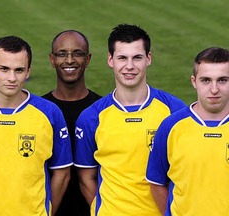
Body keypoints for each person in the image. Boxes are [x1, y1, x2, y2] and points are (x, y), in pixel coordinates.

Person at [74, 24, 187, 215]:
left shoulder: (174, 111)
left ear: (148, 59)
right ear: (110, 60)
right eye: (122, 58)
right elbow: (86, 178)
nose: (129, 66)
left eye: (137, 58)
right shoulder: (91, 117)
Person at [0, 36, 72, 215]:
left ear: (28, 71)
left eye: (19, 70)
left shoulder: (50, 113)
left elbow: (62, 173)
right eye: (4, 69)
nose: (11, 78)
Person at [146, 47, 229, 215]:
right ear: (194, 81)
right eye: (206, 80)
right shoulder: (170, 127)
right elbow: (156, 182)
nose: (214, 89)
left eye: (222, 80)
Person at [41, 30, 101, 216]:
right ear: (52, 59)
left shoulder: (103, 111)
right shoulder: (39, 112)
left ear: (88, 59)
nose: (69, 60)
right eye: (62, 54)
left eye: (77, 53)